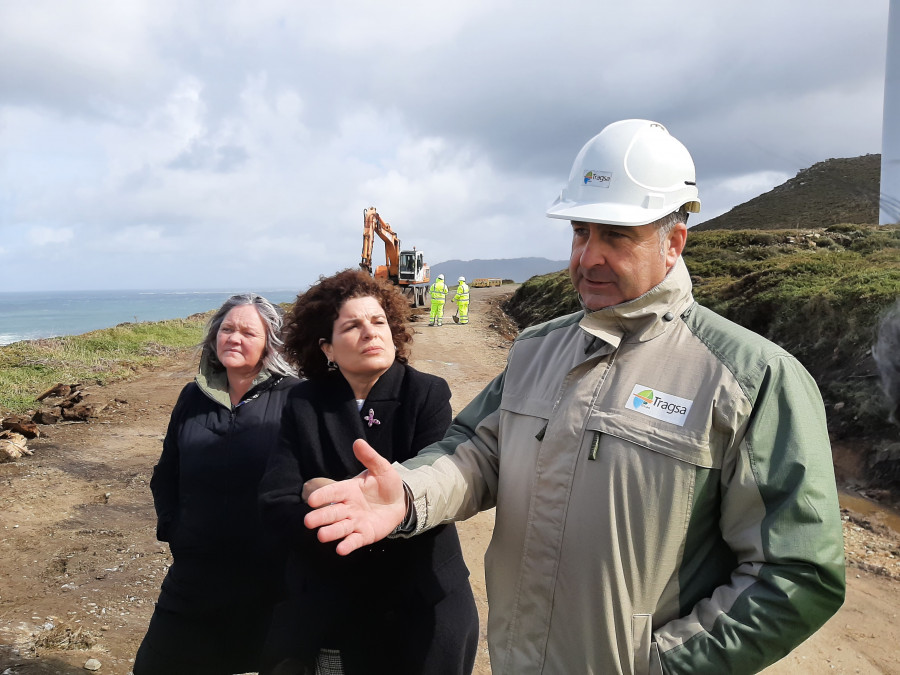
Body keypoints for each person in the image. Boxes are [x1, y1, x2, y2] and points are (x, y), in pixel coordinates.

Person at [302, 120, 846, 674]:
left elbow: (797, 574)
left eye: (616, 235)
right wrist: (410, 494)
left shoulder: (750, 379)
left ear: (674, 242)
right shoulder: (537, 350)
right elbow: (477, 450)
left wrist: (664, 667)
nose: (587, 257)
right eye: (581, 231)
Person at [258, 269, 479, 675]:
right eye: (353, 325)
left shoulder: (426, 393)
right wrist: (330, 506)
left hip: (420, 598)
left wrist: (319, 491)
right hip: (333, 595)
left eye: (378, 322)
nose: (370, 333)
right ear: (326, 347)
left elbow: (431, 491)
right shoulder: (304, 403)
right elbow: (275, 500)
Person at [134, 293, 299, 675]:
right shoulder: (193, 396)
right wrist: (176, 529)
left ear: (270, 343)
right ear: (213, 337)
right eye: (227, 329)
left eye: (248, 332)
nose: (234, 338)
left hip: (269, 582)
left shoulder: (296, 398)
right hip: (195, 575)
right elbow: (167, 471)